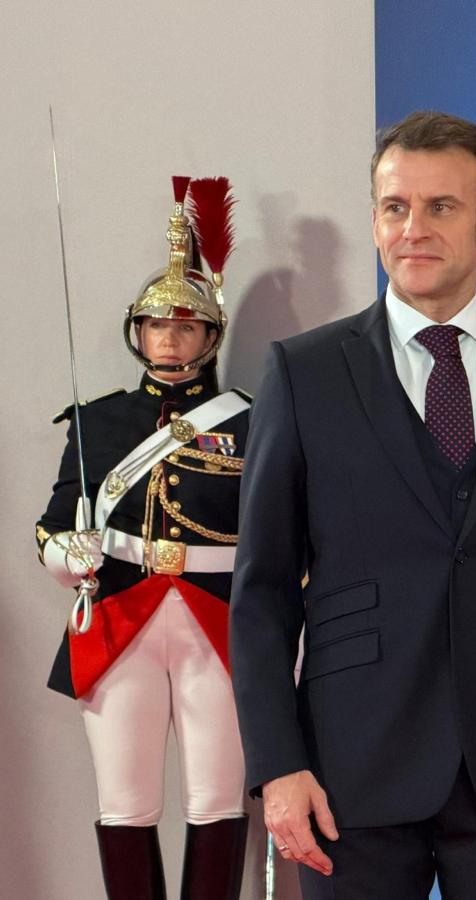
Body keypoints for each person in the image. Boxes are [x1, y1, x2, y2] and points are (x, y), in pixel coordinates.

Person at [229, 111, 476, 899]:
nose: (413, 228)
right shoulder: (304, 372)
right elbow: (261, 592)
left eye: (441, 206)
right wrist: (278, 765)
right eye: (395, 207)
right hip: (347, 773)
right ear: (375, 221)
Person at [36, 179, 252, 900]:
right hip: (120, 615)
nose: (169, 339)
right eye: (156, 326)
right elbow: (54, 519)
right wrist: (64, 553)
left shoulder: (252, 420)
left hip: (218, 620)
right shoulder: (96, 422)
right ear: (137, 333)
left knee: (217, 801)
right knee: (125, 804)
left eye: (185, 328)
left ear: (209, 337)